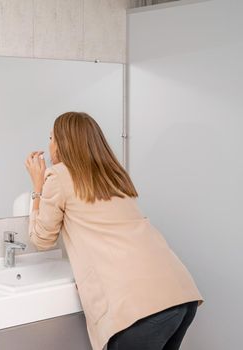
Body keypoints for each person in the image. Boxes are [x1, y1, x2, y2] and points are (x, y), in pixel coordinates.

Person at [25, 112, 202, 350]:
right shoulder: (113, 175)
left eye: (51, 138)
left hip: (139, 309)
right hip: (179, 293)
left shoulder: (58, 176)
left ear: (63, 143)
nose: (49, 145)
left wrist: (37, 187)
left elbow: (41, 239)